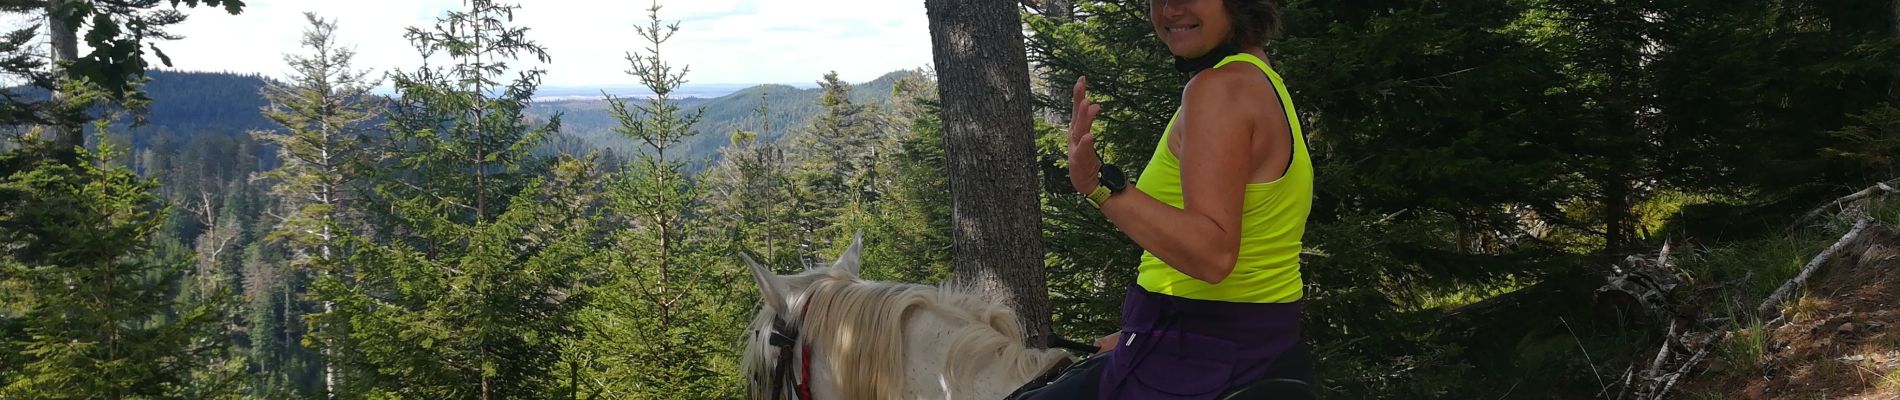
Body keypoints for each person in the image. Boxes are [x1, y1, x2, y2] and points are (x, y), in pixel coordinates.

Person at [1013, 0, 1315, 398]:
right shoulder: (1258, 79)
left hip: (1201, 358)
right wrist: (1139, 334)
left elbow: (1211, 255)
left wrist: (1097, 185)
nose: (1170, 10)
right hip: (1234, 341)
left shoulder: (1219, 89)